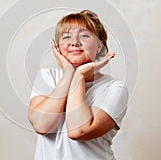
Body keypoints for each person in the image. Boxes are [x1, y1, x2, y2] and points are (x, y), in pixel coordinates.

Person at [28, 10, 129, 160]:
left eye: (84, 35)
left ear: (99, 45)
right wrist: (69, 73)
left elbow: (79, 130)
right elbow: (42, 125)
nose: (74, 42)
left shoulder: (114, 88)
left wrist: (80, 75)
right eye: (67, 36)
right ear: (58, 46)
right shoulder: (47, 77)